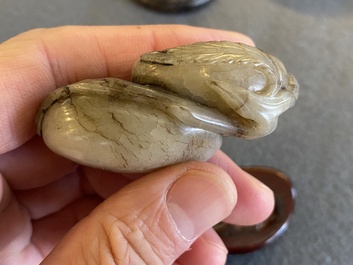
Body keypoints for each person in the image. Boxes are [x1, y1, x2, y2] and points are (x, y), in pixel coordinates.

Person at [0, 25, 274, 265]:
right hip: (83, 119)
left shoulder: (203, 134)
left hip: (81, 121)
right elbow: (180, 111)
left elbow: (182, 111)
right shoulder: (202, 128)